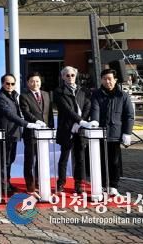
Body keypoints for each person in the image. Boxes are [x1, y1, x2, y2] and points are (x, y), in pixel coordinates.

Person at [0, 73, 44, 194]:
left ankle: (7, 183)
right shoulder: (0, 97)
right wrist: (27, 124)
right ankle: (2, 186)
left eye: (12, 83)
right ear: (2, 84)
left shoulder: (13, 95)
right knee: (4, 161)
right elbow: (10, 114)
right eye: (7, 83)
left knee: (10, 160)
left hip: (13, 133)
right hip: (5, 134)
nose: (10, 85)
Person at [90, 68, 135, 196]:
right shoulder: (96, 94)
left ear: (115, 80)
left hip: (115, 134)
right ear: (101, 80)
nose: (107, 81)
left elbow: (129, 115)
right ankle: (103, 185)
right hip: (100, 133)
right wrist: (95, 123)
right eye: (104, 79)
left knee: (114, 162)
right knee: (100, 160)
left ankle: (114, 186)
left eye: (110, 79)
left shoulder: (123, 96)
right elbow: (95, 110)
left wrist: (127, 132)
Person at [53, 66, 91, 194]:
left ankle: (78, 183)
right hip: (66, 128)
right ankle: (61, 183)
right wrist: (79, 121)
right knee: (64, 157)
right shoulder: (59, 91)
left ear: (76, 76)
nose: (70, 77)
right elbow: (66, 109)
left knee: (80, 157)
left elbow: (87, 106)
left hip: (80, 128)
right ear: (63, 77)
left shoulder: (83, 90)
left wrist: (81, 123)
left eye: (72, 75)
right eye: (67, 75)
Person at [19, 72, 55, 193]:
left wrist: (51, 129)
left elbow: (49, 113)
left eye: (37, 81)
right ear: (28, 83)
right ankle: (30, 184)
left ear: (40, 82)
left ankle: (40, 182)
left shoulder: (46, 94)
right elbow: (26, 112)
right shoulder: (24, 96)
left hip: (44, 134)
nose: (35, 84)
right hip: (31, 133)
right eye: (32, 81)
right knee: (30, 160)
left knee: (42, 159)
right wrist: (36, 121)